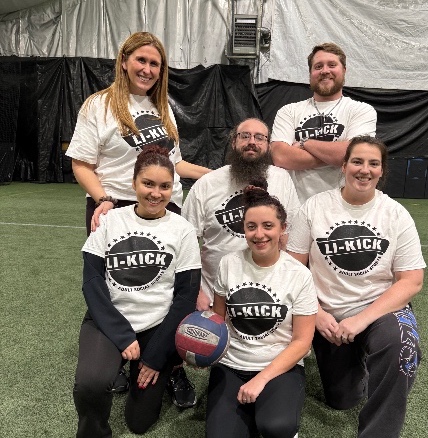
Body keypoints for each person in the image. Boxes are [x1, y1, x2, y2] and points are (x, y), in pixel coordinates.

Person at [66, 31, 207, 405]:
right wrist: (104, 199)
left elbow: (177, 164)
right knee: (119, 286)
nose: (147, 69)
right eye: (141, 60)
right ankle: (114, 354)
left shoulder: (163, 109)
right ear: (124, 61)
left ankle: (170, 367)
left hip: (166, 208)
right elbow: (81, 163)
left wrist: (216, 175)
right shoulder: (99, 105)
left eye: (155, 63)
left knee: (169, 293)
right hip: (113, 208)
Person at [287, 136, 426, 437]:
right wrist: (317, 313)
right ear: (344, 166)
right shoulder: (314, 207)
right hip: (328, 316)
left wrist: (361, 320)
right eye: (357, 162)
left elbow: (412, 280)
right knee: (342, 399)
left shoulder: (395, 214)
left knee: (402, 345)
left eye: (373, 163)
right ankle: (359, 364)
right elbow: (293, 270)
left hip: (378, 311)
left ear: (381, 170)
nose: (365, 170)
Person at [72, 146, 201, 437]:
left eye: (164, 186)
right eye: (148, 184)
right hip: (109, 322)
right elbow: (92, 282)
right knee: (91, 384)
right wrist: (122, 335)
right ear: (133, 183)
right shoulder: (109, 220)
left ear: (172, 188)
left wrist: (156, 356)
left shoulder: (183, 230)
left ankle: (151, 372)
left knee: (139, 422)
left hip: (157, 326)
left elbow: (185, 297)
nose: (156, 193)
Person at [206, 180, 317, 438]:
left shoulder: (299, 275)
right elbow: (218, 319)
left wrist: (261, 379)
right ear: (243, 228)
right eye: (251, 226)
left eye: (268, 226)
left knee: (276, 427)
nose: (259, 234)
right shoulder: (228, 264)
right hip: (232, 363)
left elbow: (302, 342)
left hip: (279, 366)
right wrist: (206, 350)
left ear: (282, 228)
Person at [182, 117, 300, 311]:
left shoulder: (282, 179)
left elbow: (290, 238)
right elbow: (186, 243)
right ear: (233, 142)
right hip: (213, 298)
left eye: (259, 137)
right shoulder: (207, 184)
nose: (252, 142)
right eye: (245, 136)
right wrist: (196, 290)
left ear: (268, 146)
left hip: (269, 298)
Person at [270, 42, 377, 204]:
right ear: (310, 73)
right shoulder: (289, 111)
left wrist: (305, 143)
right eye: (318, 66)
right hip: (297, 206)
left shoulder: (361, 110)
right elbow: (280, 157)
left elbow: (357, 154)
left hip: (342, 206)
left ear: (344, 70)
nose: (325, 71)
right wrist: (338, 155)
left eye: (332, 65)